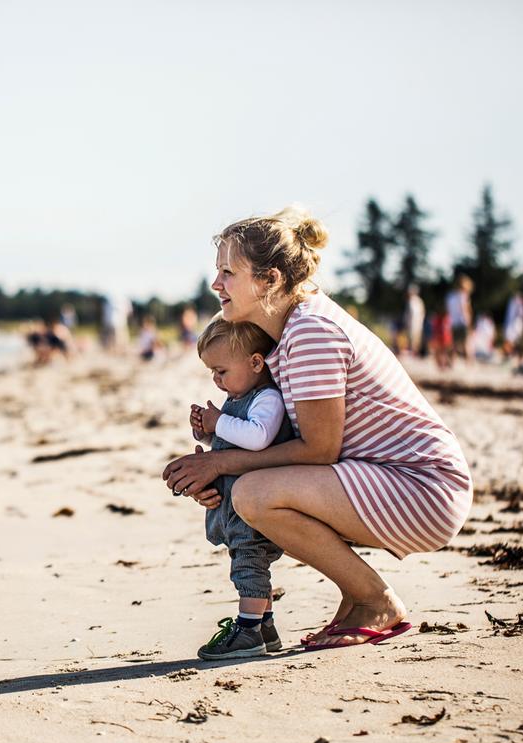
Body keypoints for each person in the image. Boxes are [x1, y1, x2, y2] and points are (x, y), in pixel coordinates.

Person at [163, 207, 473, 650]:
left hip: (423, 486)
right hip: (382, 477)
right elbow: (276, 437)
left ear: (269, 280)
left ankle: (374, 600)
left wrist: (222, 464)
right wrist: (218, 470)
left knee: (256, 495)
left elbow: (320, 448)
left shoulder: (310, 331)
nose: (216, 285)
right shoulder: (283, 331)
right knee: (248, 489)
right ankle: (357, 598)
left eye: (228, 273)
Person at [189, 316, 293, 659]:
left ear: (255, 362)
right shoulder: (239, 397)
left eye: (222, 371)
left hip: (252, 504)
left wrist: (219, 420)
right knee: (244, 557)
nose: (217, 380)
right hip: (233, 506)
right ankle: (264, 626)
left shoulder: (267, 399)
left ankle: (248, 630)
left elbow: (258, 437)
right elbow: (231, 438)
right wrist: (206, 432)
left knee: (249, 562)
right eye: (212, 374)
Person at [445, 274, 473, 364]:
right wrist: (469, 322)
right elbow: (464, 310)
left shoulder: (450, 296)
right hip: (462, 322)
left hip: (453, 322)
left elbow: (448, 310)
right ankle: (469, 363)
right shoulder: (463, 296)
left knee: (454, 344)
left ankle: (451, 362)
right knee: (466, 344)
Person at [502, 288, 523, 359]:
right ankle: (509, 355)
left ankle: (512, 355)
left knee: (512, 341)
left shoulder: (516, 302)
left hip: (515, 326)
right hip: (514, 326)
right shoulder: (514, 302)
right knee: (511, 341)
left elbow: (522, 315)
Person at [400, 284, 425, 356]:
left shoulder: (417, 301)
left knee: (415, 339)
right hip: (413, 323)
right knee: (412, 338)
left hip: (416, 323)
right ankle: (413, 352)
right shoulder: (411, 301)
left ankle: (415, 352)